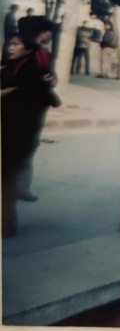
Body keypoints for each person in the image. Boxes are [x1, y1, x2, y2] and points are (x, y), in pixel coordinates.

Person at [1, 33, 57, 237]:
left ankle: (6, 225)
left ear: (27, 49)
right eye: (10, 44)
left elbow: (48, 100)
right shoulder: (9, 68)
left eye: (16, 44)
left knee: (6, 180)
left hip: (16, 134)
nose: (10, 47)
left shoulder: (31, 72)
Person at [14, 15, 57, 202]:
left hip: (23, 104)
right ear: (42, 33)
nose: (51, 35)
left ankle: (18, 187)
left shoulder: (15, 48)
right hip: (30, 105)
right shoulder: (39, 52)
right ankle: (19, 188)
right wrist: (45, 81)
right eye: (49, 32)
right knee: (26, 146)